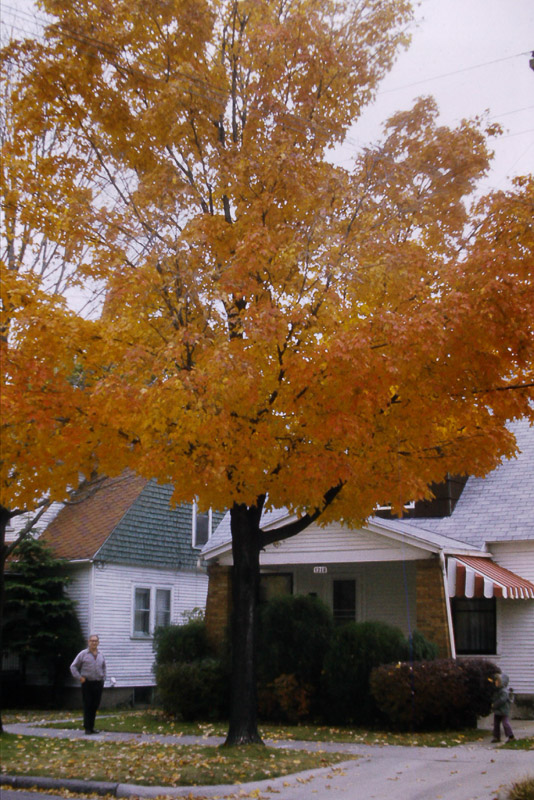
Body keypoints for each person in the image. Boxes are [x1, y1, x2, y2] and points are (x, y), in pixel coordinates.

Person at [70, 634, 106, 735]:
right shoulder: (83, 654)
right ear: (88, 642)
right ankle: (87, 728)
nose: (94, 643)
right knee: (88, 705)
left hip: (98, 683)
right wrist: (80, 678)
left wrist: (103, 678)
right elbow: (73, 667)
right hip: (87, 683)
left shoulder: (101, 655)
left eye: (95, 641)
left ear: (98, 642)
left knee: (95, 705)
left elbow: (104, 667)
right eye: (92, 641)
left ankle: (92, 727)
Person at [491, 672, 515, 743]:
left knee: (505, 723)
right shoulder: (497, 690)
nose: (495, 682)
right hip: (498, 710)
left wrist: (494, 705)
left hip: (503, 710)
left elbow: (502, 700)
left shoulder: (504, 691)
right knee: (496, 724)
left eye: (497, 681)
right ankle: (496, 736)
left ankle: (511, 736)